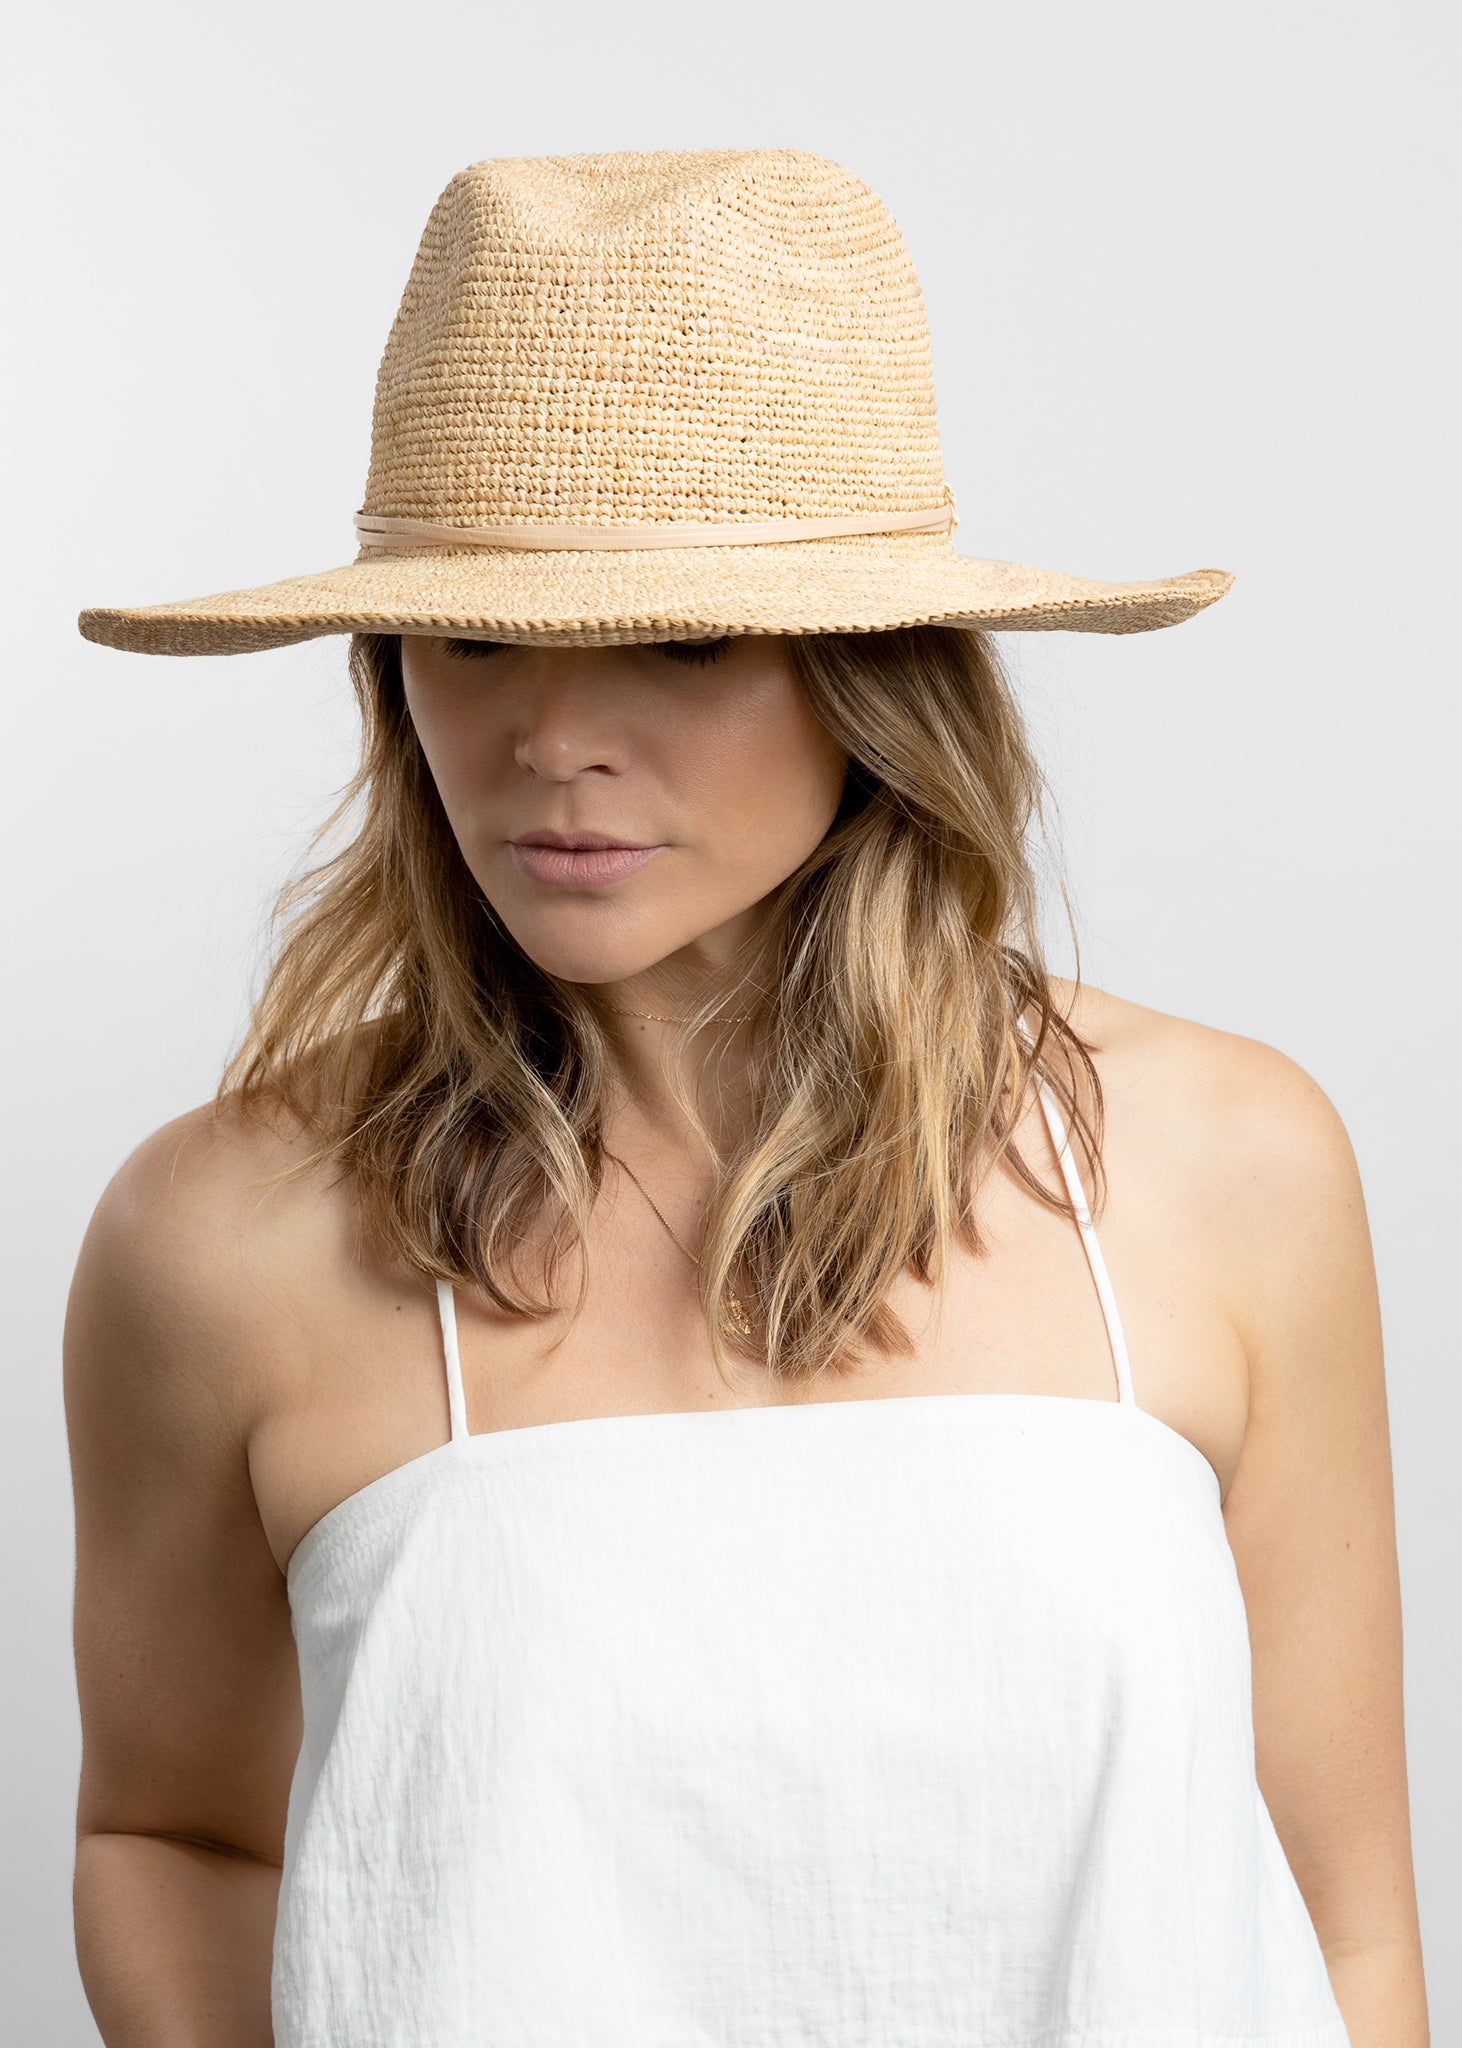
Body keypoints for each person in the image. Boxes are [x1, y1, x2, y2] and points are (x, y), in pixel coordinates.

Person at [67, 148, 1425, 2047]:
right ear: (389, 672)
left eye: (681, 639)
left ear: (871, 674)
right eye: (477, 639)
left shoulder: (1219, 1166)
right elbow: (173, 1834)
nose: (552, 741)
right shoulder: (224, 1237)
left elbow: (1342, 1913)